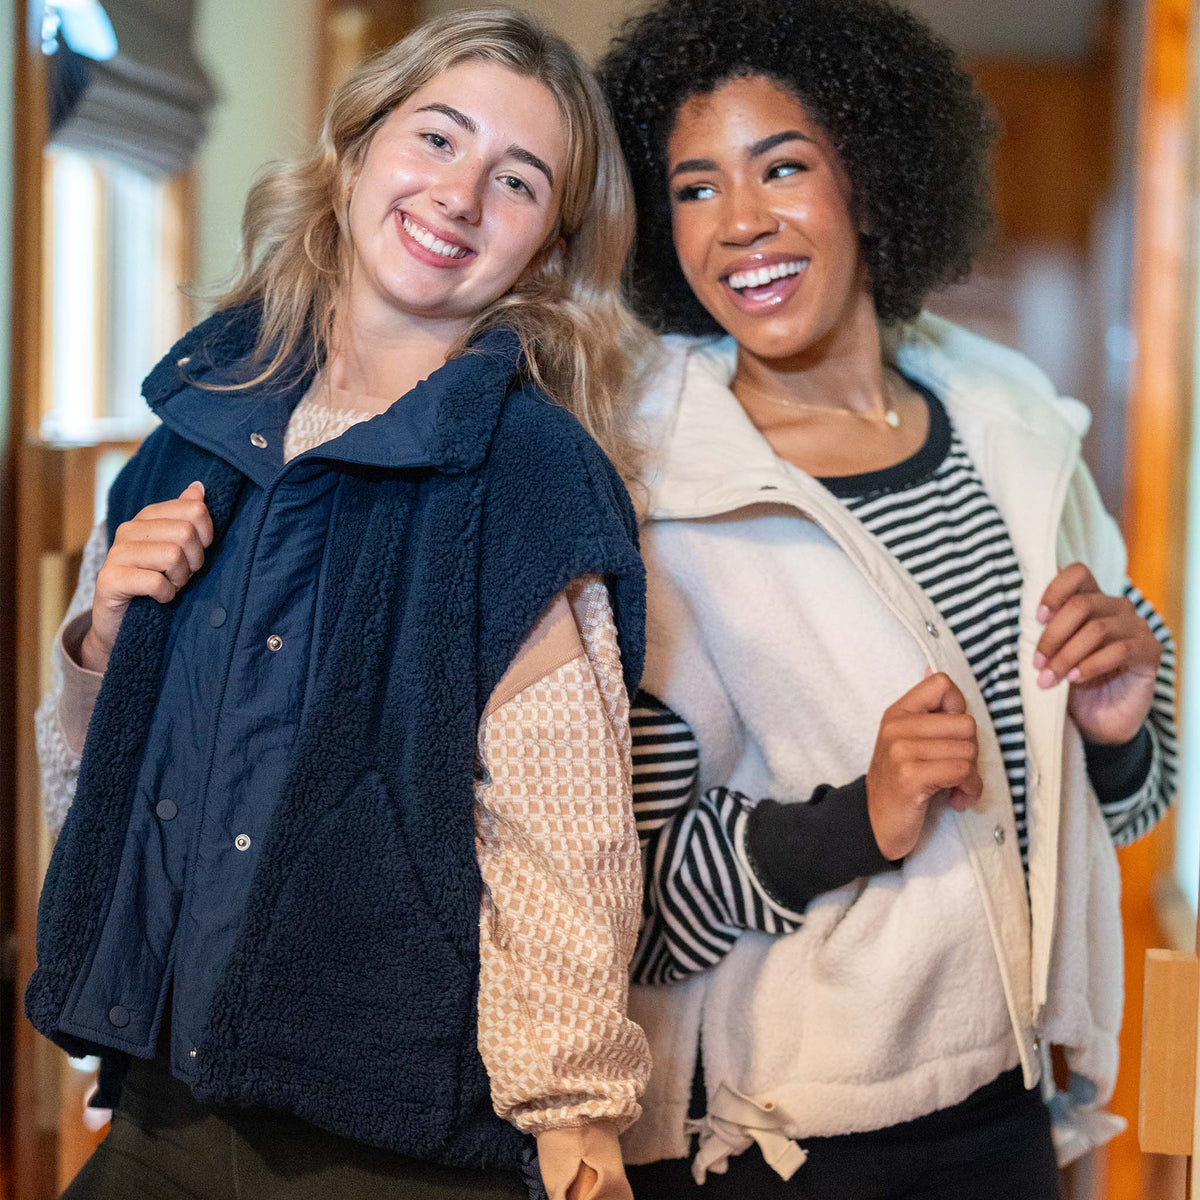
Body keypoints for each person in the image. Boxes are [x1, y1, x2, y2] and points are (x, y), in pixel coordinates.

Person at [28, 10, 652, 1198]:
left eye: (515, 182)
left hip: (381, 1146)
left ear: (547, 247)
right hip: (160, 1111)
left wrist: (575, 1122)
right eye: (437, 139)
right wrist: (101, 638)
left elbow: (563, 833)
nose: (460, 196)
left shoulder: (523, 481)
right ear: (358, 148)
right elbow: (86, 790)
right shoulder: (187, 431)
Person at [599, 1, 1178, 1196]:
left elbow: (1125, 807)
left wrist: (1121, 730)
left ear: (869, 174)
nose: (742, 222)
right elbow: (623, 903)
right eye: (696, 188)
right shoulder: (658, 495)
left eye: (784, 167)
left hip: (1020, 1105)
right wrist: (853, 818)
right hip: (788, 1145)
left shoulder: (1015, 423)